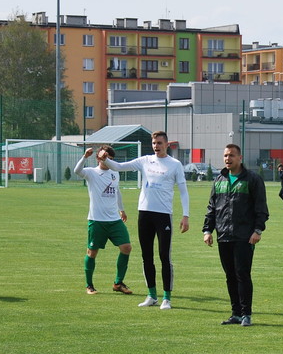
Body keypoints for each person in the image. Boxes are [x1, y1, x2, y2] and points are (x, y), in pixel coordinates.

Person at [100, 131, 190, 309]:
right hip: (145, 214)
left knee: (164, 256)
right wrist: (104, 160)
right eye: (154, 143)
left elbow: (183, 190)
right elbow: (118, 166)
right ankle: (151, 295)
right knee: (146, 256)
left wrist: (185, 215)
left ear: (167, 145)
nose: (156, 146)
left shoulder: (175, 165)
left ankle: (167, 297)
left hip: (163, 215)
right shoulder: (145, 161)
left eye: (159, 143)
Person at [203, 144, 269, 327]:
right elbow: (212, 208)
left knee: (242, 274)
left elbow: (261, 209)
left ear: (240, 157)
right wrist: (207, 230)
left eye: (231, 155)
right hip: (223, 235)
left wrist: (257, 231)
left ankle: (246, 313)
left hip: (244, 236)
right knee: (230, 276)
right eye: (225, 155)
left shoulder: (252, 179)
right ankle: (236, 314)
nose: (227, 159)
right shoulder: (219, 180)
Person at [75, 146, 132, 295]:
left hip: (114, 220)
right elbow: (77, 171)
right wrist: (84, 157)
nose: (108, 161)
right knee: (92, 252)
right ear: (98, 158)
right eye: (105, 157)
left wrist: (122, 209)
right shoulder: (91, 173)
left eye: (111, 159)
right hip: (97, 220)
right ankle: (89, 285)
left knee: (126, 247)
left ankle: (118, 283)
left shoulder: (115, 173)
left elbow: (117, 191)